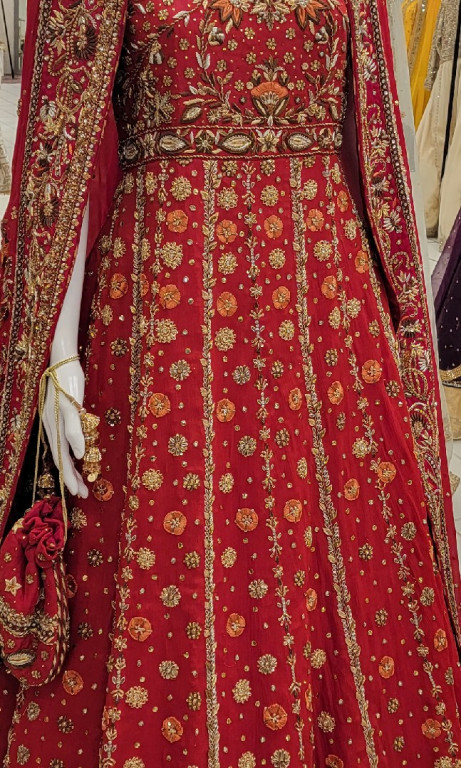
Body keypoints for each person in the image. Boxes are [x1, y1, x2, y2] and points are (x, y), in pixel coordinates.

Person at [0, 1, 460, 766]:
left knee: (333, 545)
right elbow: (62, 146)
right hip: (166, 300)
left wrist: (402, 323)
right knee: (176, 539)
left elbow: (376, 150)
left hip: (325, 302)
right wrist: (56, 351)